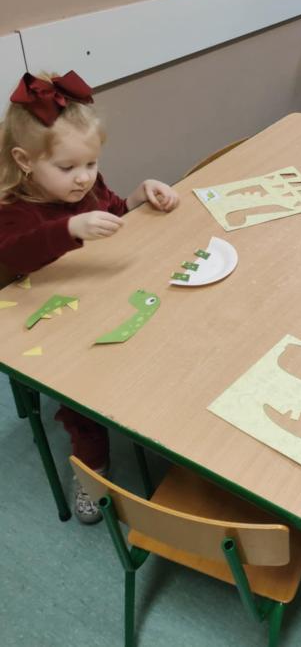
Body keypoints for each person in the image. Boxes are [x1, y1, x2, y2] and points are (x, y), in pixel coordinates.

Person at [0, 72, 180, 522]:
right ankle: (91, 471)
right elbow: (14, 253)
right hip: (41, 322)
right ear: (24, 160)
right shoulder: (14, 210)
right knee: (85, 397)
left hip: (97, 297)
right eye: (67, 168)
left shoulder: (84, 187)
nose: (83, 179)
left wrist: (137, 199)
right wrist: (68, 229)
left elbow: (110, 213)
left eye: (92, 164)